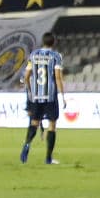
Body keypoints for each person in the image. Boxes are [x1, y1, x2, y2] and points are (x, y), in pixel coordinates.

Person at [20, 32, 66, 165]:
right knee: (52, 125)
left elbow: (27, 76)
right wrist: (63, 95)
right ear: (54, 42)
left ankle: (27, 144)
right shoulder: (56, 56)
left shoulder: (33, 55)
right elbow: (57, 77)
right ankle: (48, 158)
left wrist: (30, 90)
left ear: (43, 41)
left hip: (36, 96)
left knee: (34, 123)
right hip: (50, 96)